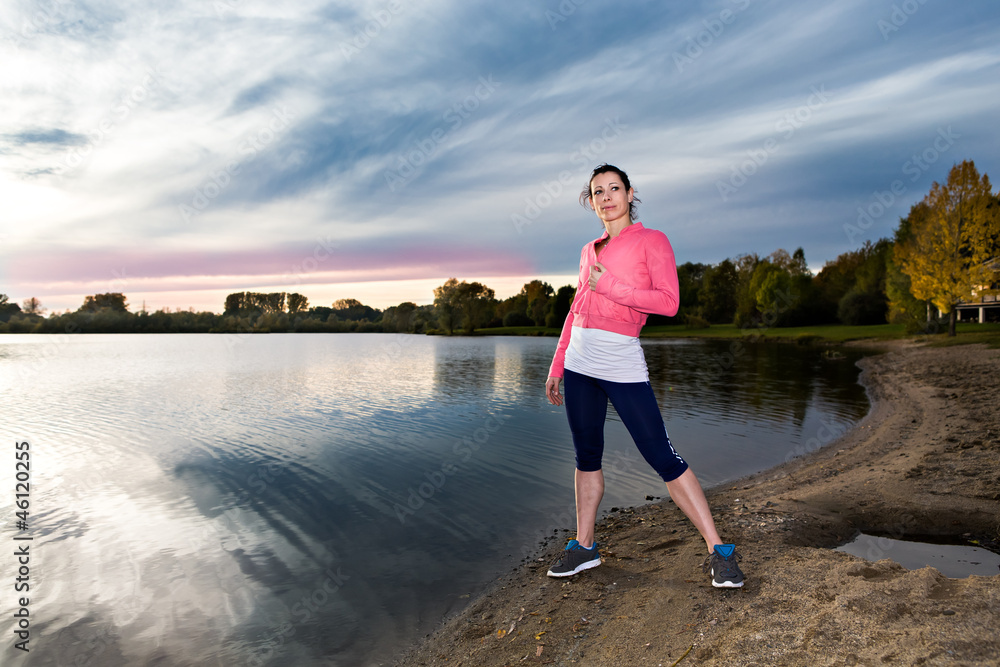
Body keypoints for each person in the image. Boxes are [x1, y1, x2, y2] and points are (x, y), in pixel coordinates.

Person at [544, 163, 745, 588]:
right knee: (586, 457)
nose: (606, 197)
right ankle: (585, 547)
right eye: (597, 191)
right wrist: (557, 363)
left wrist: (612, 287)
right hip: (580, 362)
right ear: (591, 201)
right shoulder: (588, 249)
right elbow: (576, 308)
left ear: (630, 194)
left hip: (621, 361)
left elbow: (668, 302)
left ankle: (718, 550)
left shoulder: (652, 241)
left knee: (662, 456)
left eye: (613, 188)